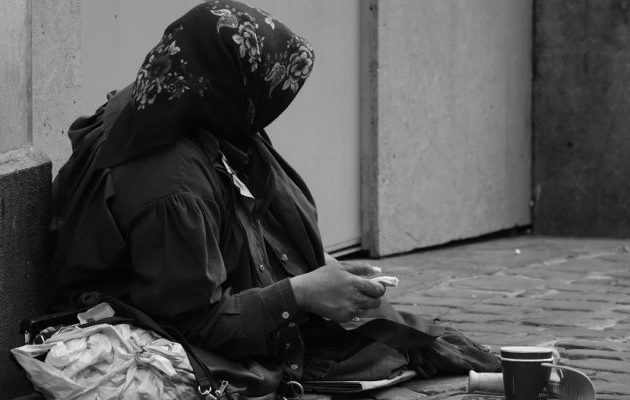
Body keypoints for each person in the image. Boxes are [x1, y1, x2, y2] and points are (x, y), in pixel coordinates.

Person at [48, 0, 499, 397]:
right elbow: (193, 319)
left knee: (383, 331)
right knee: (368, 348)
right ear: (228, 84)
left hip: (176, 274)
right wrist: (300, 293)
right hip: (155, 311)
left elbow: (240, 209)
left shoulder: (170, 97)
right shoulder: (173, 187)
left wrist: (314, 263)